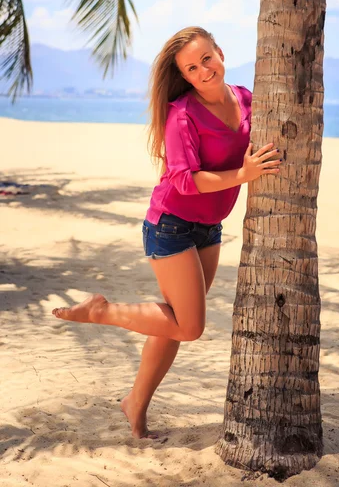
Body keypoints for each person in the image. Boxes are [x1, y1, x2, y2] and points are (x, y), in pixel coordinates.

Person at [52, 26, 282, 439]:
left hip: (209, 228)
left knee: (173, 323)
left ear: (220, 52)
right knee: (189, 327)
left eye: (206, 59)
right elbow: (183, 181)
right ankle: (100, 311)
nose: (203, 71)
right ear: (186, 77)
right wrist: (243, 175)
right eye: (192, 68)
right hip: (171, 226)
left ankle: (135, 404)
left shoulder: (247, 99)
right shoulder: (182, 114)